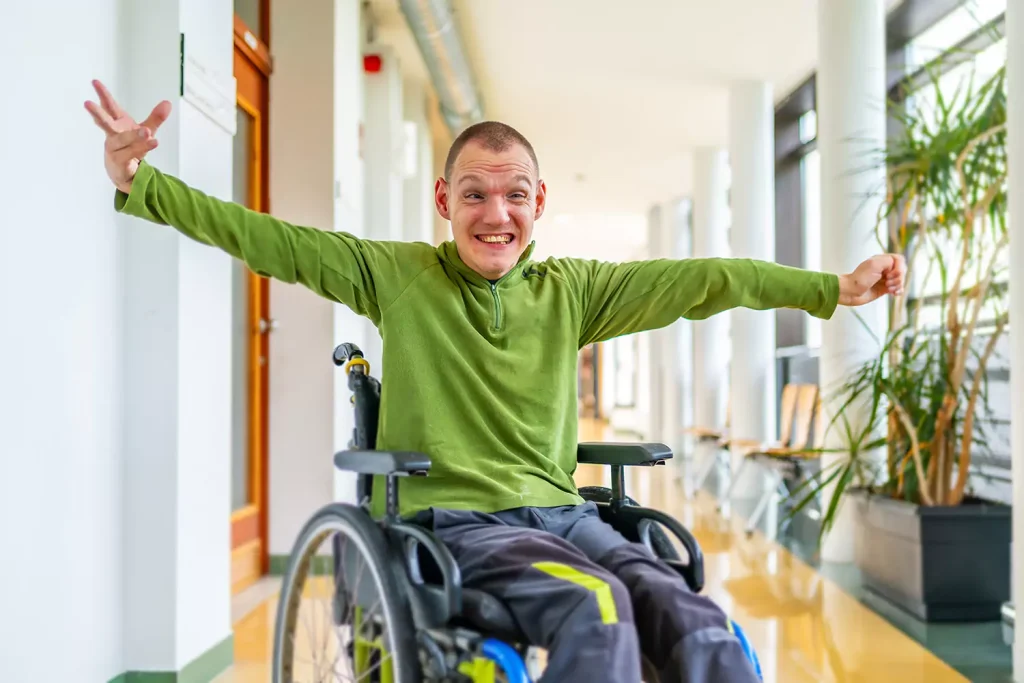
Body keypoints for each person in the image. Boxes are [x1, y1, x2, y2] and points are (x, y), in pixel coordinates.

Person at [85, 80, 905, 683]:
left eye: (514, 194)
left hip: (563, 514)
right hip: (463, 521)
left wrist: (831, 289)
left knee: (697, 619)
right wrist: (142, 183)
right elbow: (271, 240)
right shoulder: (396, 275)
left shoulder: (572, 290)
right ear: (445, 199)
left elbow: (705, 278)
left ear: (539, 201)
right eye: (474, 194)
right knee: (599, 607)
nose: (495, 213)